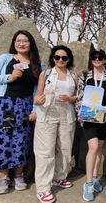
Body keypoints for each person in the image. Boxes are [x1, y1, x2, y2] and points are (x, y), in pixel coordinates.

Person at [0, 30, 43, 194]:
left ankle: (19, 176)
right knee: (3, 139)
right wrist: (8, 77)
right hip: (5, 104)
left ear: (31, 44)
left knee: (22, 139)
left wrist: (35, 109)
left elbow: (38, 89)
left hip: (25, 105)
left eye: (25, 41)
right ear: (14, 43)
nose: (21, 43)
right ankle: (3, 178)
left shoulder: (37, 64)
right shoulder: (5, 58)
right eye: (18, 40)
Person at [33, 45, 78, 203]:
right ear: (53, 58)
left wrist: (69, 99)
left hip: (67, 112)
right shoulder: (45, 74)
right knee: (45, 151)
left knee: (65, 148)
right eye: (57, 57)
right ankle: (43, 188)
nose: (60, 60)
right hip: (48, 112)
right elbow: (37, 97)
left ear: (68, 60)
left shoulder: (74, 76)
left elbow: (75, 97)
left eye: (64, 58)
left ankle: (59, 177)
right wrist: (39, 101)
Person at [75, 50, 106, 202]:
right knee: (93, 147)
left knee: (100, 148)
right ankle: (88, 183)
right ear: (91, 60)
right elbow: (79, 96)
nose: (97, 60)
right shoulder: (85, 76)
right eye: (94, 57)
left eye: (100, 57)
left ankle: (96, 177)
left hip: (103, 116)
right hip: (88, 115)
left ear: (104, 60)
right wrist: (79, 113)